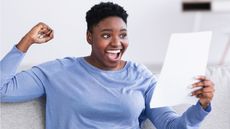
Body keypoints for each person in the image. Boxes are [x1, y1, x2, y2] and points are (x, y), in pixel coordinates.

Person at [0, 2, 215, 129]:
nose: (116, 43)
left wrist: (201, 106)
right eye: (106, 35)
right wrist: (26, 42)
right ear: (89, 37)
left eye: (122, 35)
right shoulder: (57, 71)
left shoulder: (141, 76)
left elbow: (170, 126)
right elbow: (3, 89)